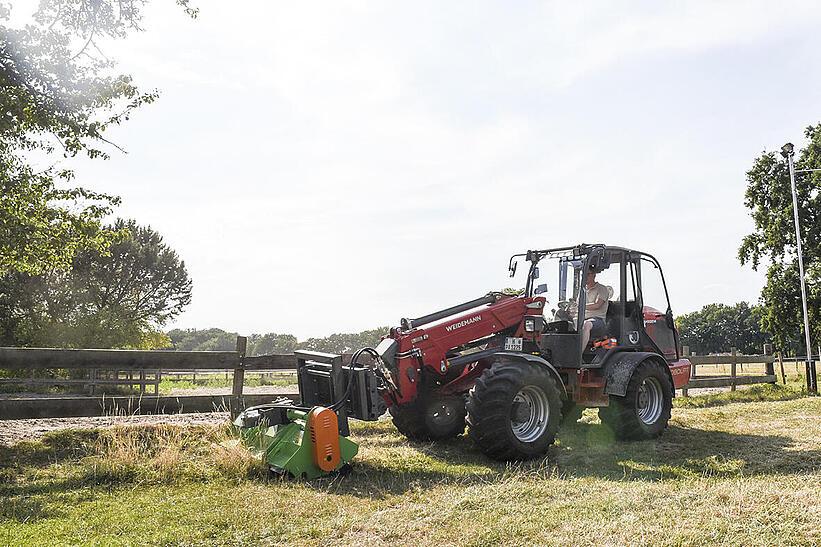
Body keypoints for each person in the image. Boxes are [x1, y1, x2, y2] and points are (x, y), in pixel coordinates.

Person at [580, 268, 610, 350]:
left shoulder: (602, 289)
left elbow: (597, 305)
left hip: (598, 321)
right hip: (581, 319)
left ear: (594, 275)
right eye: (584, 274)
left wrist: (581, 306)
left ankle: (577, 356)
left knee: (586, 324)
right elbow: (576, 307)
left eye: (588, 274)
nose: (585, 277)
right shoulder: (582, 291)